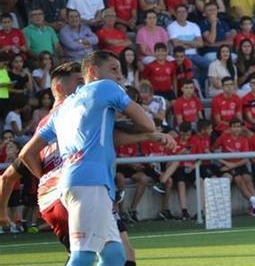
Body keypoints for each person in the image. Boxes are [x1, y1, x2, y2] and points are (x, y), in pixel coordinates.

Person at [21, 52, 156, 265]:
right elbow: (148, 123)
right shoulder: (105, 88)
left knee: (114, 255)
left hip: (76, 182)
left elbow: (26, 153)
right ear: (92, 72)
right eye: (114, 69)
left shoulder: (63, 108)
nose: (120, 77)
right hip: (90, 183)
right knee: (83, 256)